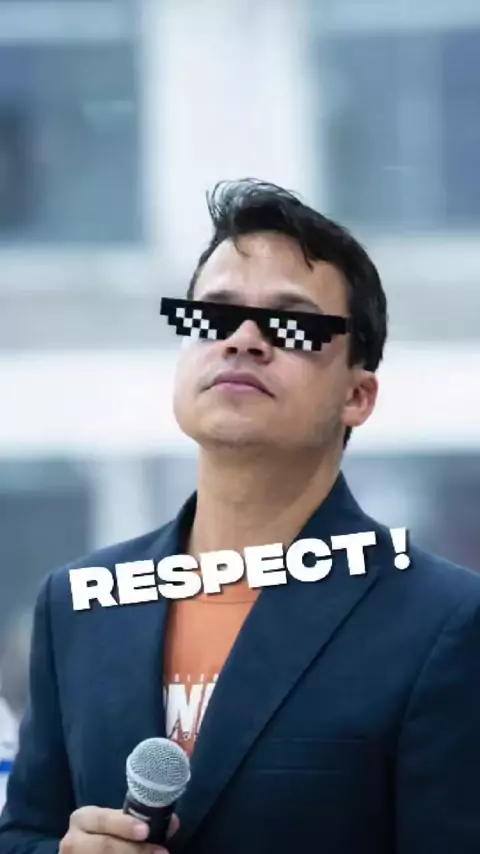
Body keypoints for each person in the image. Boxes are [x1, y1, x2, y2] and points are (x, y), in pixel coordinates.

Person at [1, 179, 480, 854]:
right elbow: (25, 830)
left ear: (358, 395)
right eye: (214, 316)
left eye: (292, 325)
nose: (243, 339)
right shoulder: (76, 605)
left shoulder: (444, 623)